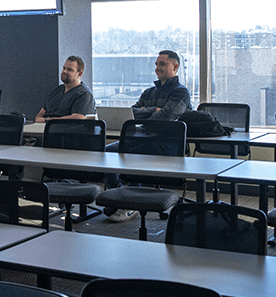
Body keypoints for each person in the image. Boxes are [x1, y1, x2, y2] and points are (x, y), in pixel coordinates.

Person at [104, 50, 192, 221]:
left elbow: (166, 117)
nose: (157, 68)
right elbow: (133, 113)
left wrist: (147, 112)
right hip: (142, 137)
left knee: (132, 154)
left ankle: (128, 202)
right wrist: (153, 110)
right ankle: (120, 195)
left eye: (162, 64)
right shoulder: (149, 92)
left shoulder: (181, 92)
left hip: (168, 143)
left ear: (175, 67)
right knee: (106, 152)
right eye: (157, 64)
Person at [34, 56, 95, 123]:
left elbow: (77, 118)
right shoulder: (56, 91)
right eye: (64, 68)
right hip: (43, 129)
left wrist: (48, 120)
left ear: (79, 73)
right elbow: (38, 117)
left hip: (66, 131)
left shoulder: (84, 94)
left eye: (69, 69)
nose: (64, 71)